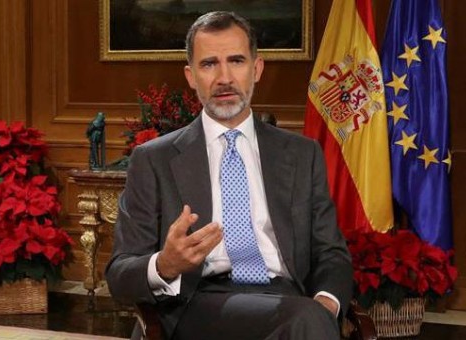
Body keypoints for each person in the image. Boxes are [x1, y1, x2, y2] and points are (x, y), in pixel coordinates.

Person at [106, 11, 352, 340]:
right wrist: (165, 263)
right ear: (191, 76)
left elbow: (330, 253)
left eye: (236, 61)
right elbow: (119, 275)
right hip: (197, 304)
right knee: (306, 320)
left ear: (257, 69)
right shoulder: (153, 159)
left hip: (287, 299)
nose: (224, 77)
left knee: (308, 317)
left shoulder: (302, 154)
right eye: (209, 64)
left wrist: (327, 302)